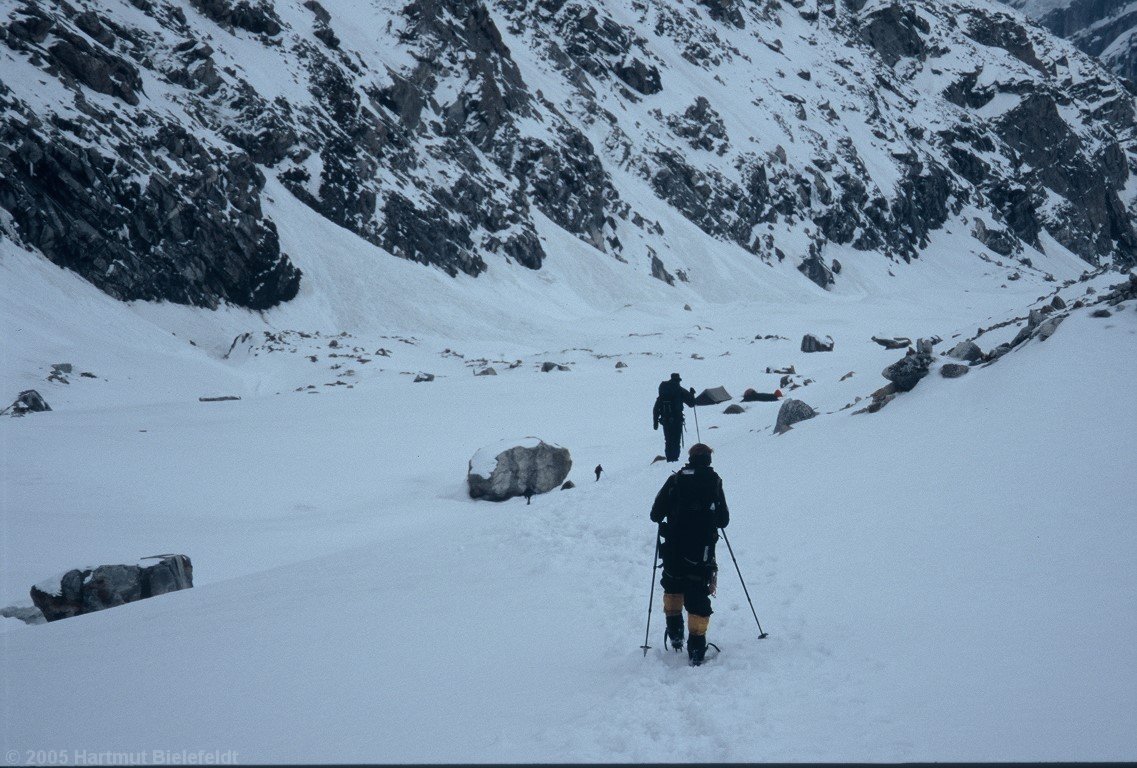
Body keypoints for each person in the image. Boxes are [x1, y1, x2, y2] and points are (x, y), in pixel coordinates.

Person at [649, 443, 730, 665]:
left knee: (673, 588)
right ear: (708, 459)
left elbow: (655, 514)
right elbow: (723, 520)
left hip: (674, 548)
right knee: (697, 597)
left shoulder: (676, 480)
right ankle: (696, 649)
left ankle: (675, 635)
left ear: (691, 458)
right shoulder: (714, 481)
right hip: (701, 552)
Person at [653, 373, 696, 462]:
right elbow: (691, 403)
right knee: (676, 440)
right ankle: (675, 459)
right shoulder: (680, 390)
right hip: (677, 419)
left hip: (665, 420)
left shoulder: (663, 392)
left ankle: (669, 458)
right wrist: (692, 393)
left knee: (668, 440)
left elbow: (656, 408)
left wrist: (655, 423)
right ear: (678, 380)